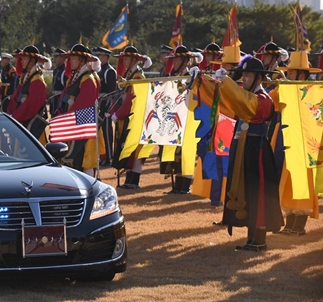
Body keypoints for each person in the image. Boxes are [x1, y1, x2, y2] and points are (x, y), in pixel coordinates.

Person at [194, 56, 282, 251]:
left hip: (257, 150)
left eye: (248, 76)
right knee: (246, 192)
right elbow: (225, 99)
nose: (244, 79)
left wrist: (226, 82)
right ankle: (252, 238)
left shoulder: (263, 99)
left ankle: (259, 239)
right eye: (243, 75)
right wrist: (202, 82)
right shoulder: (244, 95)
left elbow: (243, 101)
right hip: (244, 149)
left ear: (259, 78)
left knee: (256, 192)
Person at [273, 51, 321, 236]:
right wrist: (282, 87)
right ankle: (289, 224)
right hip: (290, 142)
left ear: (301, 75)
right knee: (288, 183)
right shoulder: (288, 90)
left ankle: (299, 226)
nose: (288, 76)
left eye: (291, 73)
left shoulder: (314, 91)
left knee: (303, 184)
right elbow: (275, 103)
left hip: (306, 145)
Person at [160, 45, 202, 194]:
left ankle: (186, 184)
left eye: (177, 59)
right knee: (176, 152)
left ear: (184, 60)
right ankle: (178, 184)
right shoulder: (174, 76)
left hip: (188, 116)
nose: (174, 62)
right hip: (175, 117)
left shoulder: (192, 76)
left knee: (187, 151)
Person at [55, 43, 101, 177]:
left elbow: (83, 104)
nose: (70, 61)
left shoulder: (88, 78)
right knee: (74, 159)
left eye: (73, 59)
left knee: (84, 159)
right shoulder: (74, 78)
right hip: (72, 122)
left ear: (82, 60)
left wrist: (66, 120)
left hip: (83, 125)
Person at [112, 46, 152, 189]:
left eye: (127, 59)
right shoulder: (130, 75)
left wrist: (118, 114)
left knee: (135, 150)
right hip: (128, 116)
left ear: (134, 60)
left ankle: (134, 180)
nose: (124, 61)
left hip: (135, 117)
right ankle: (129, 180)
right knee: (128, 148)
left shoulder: (138, 77)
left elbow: (130, 100)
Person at [7, 45, 49, 142]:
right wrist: (10, 114)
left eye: (24, 59)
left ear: (32, 61)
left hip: (32, 124)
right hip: (22, 121)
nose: (21, 61)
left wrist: (15, 116)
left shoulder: (37, 80)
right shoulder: (25, 77)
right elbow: (15, 98)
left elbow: (31, 104)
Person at [92, 46, 117, 167]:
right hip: (99, 103)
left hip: (106, 103)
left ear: (106, 57)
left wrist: (108, 109)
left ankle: (108, 156)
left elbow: (112, 92)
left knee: (106, 131)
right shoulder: (99, 70)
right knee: (99, 131)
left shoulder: (109, 71)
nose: (98, 58)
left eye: (100, 56)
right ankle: (101, 155)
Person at [50, 47, 68, 114]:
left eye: (56, 57)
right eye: (54, 57)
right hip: (55, 100)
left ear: (63, 58)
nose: (54, 59)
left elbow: (67, 90)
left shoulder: (65, 71)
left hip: (61, 102)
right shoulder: (55, 70)